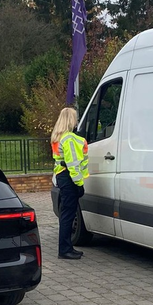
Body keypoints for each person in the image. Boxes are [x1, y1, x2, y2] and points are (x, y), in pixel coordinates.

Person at [51, 107, 89, 260]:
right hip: (69, 178)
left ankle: (67, 247)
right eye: (75, 118)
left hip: (62, 176)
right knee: (68, 214)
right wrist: (79, 184)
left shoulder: (58, 137)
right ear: (70, 120)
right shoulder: (69, 139)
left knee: (66, 214)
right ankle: (65, 250)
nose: (77, 121)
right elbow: (73, 164)